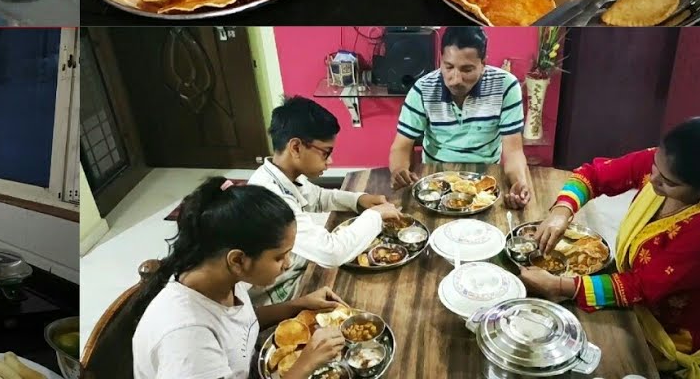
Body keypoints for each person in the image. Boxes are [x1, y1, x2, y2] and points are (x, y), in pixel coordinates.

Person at [519, 114, 700, 379]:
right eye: (655, 166)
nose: (653, 180)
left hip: (671, 328)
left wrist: (559, 286)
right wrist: (562, 210)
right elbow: (594, 175)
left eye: (669, 182)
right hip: (639, 289)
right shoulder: (668, 164)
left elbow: (639, 287)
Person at [133, 178, 348, 379]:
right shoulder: (186, 340)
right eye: (279, 256)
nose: (288, 263)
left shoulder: (216, 277)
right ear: (237, 260)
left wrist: (298, 305)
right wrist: (305, 364)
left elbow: (238, 324)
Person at [247, 96, 401, 304]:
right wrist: (375, 215)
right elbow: (331, 254)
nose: (330, 161)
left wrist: (359, 199)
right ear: (296, 148)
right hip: (281, 293)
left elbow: (319, 196)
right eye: (325, 153)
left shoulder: (282, 174)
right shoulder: (270, 198)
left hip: (298, 268)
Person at [388, 27, 531, 208]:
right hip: (436, 179)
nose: (456, 79)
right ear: (440, 61)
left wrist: (518, 181)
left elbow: (513, 152)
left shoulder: (506, 86)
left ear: (483, 64)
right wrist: (399, 170)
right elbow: (401, 146)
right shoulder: (423, 89)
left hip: (485, 178)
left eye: (467, 69)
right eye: (449, 67)